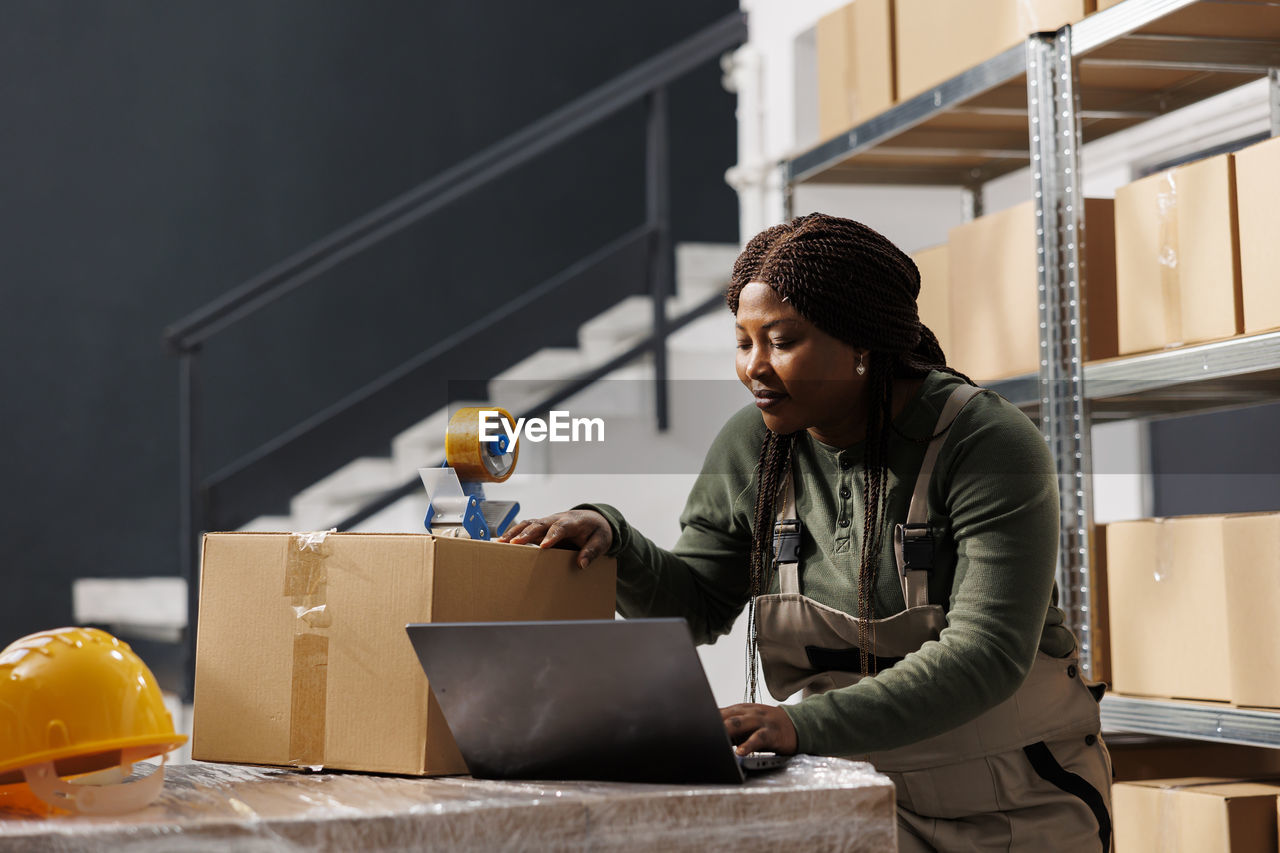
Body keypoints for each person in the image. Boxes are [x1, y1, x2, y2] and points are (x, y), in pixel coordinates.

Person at [498, 213, 1112, 851]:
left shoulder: (987, 444)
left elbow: (986, 655)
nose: (754, 368)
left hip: (1016, 802)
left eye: (782, 340)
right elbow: (696, 605)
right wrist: (611, 538)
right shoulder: (754, 447)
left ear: (862, 346)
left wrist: (798, 726)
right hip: (852, 795)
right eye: (744, 342)